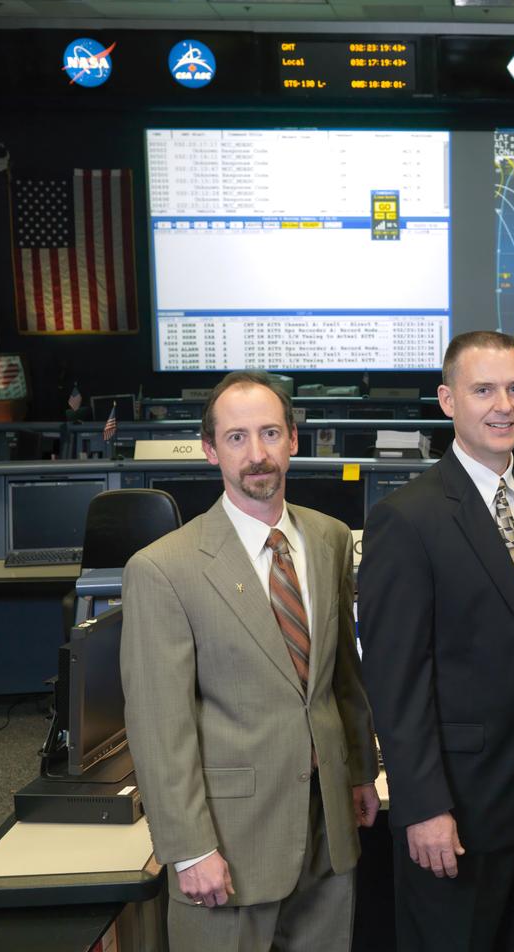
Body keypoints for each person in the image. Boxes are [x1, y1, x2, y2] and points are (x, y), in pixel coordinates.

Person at [358, 330, 514, 952]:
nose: (504, 405)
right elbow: (397, 681)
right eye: (484, 389)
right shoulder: (407, 517)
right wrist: (421, 806)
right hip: (458, 810)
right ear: (447, 401)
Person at [121, 371, 379, 952]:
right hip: (230, 845)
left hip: (327, 825)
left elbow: (341, 679)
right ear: (210, 450)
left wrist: (360, 768)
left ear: (293, 439)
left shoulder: (331, 538)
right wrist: (189, 848)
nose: (257, 455)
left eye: (269, 433)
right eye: (236, 438)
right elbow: (161, 728)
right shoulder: (163, 568)